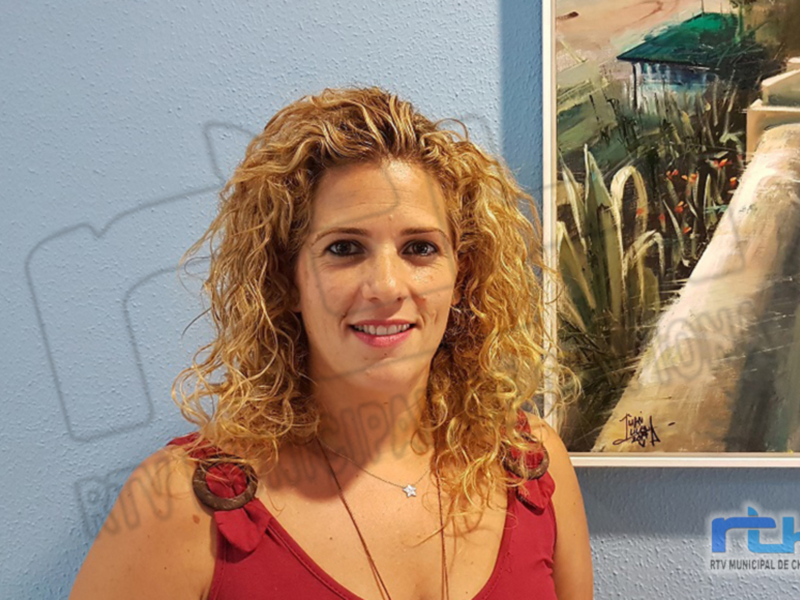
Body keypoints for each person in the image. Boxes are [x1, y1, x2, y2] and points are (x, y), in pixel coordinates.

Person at [69, 87, 592, 600]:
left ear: (463, 276)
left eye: (419, 248)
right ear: (286, 280)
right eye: (344, 248)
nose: (387, 286)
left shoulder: (532, 465)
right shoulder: (180, 500)